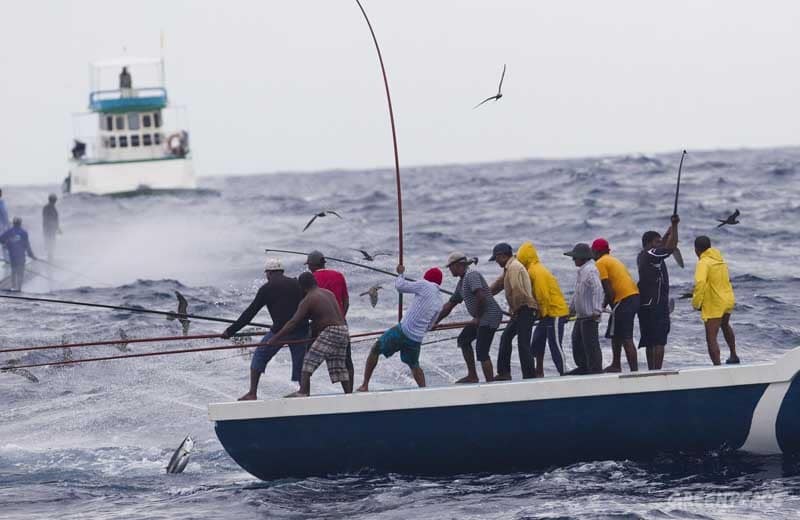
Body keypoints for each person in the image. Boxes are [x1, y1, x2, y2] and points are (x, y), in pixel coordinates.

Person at [221, 258, 310, 400]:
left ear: (268, 273)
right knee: (301, 363)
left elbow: (249, 314)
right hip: (301, 329)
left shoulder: (266, 288)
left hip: (279, 331)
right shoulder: (296, 284)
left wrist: (230, 331)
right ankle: (304, 391)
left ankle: (252, 393)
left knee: (259, 355)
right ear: (282, 271)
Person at [357, 265, 444, 391]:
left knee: (375, 349)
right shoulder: (439, 301)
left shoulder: (424, 285)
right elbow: (430, 326)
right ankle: (424, 391)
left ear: (426, 279)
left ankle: (365, 385)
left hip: (403, 331)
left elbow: (400, 286)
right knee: (414, 365)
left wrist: (400, 274)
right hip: (416, 339)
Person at [267, 272, 351, 397]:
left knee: (307, 362)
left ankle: (303, 392)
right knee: (339, 367)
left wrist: (275, 338)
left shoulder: (309, 299)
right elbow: (325, 316)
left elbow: (293, 322)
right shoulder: (328, 293)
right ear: (314, 282)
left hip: (330, 332)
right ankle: (349, 395)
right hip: (343, 330)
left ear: (301, 287)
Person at [437, 252, 503, 383]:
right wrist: (434, 322)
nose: (449, 270)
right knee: (463, 339)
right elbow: (449, 305)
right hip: (480, 317)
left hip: (489, 316)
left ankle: (491, 384)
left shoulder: (471, 275)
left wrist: (477, 317)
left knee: (482, 351)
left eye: (450, 266)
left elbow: (481, 296)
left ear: (458, 265)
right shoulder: (462, 283)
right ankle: (472, 376)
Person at [517, 241, 570, 376]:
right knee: (536, 342)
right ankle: (539, 372)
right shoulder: (532, 269)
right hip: (546, 314)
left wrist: (541, 313)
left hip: (555, 312)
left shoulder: (536, 271)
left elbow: (543, 296)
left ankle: (564, 373)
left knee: (555, 345)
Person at [305, 250, 354, 387]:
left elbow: (308, 305)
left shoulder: (311, 280)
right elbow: (346, 301)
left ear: (312, 265)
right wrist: (340, 318)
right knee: (347, 361)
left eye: (308, 265)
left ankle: (304, 391)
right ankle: (350, 395)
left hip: (319, 326)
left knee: (306, 359)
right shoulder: (339, 275)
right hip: (341, 324)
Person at [489, 243, 537, 380]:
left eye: (496, 258)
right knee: (506, 337)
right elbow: (498, 285)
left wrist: (515, 309)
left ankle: (529, 376)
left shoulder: (514, 267)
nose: (496, 261)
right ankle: (504, 373)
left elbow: (517, 290)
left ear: (502, 256)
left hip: (525, 308)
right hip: (521, 310)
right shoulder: (509, 267)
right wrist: (484, 294)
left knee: (523, 344)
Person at [592, 238, 640, 372]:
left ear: (597, 251)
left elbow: (609, 291)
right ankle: (616, 365)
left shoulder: (600, 263)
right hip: (634, 297)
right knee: (615, 333)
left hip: (624, 300)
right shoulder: (613, 259)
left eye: (593, 251)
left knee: (626, 337)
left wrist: (600, 307)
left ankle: (634, 372)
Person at [638, 215, 679, 370]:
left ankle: (651, 371)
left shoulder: (643, 256)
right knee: (659, 340)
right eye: (657, 242)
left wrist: (669, 229)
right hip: (657, 305)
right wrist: (675, 227)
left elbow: (664, 244)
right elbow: (670, 248)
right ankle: (657, 372)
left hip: (645, 304)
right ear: (649, 244)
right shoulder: (652, 254)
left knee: (649, 341)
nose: (660, 244)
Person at [692, 236, 739, 365]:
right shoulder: (720, 260)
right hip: (728, 299)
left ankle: (717, 367)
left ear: (696, 250)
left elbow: (700, 283)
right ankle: (734, 355)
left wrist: (696, 303)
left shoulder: (703, 262)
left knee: (711, 336)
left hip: (715, 302)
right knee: (725, 325)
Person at [564, 243, 604, 375]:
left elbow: (597, 288)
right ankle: (584, 367)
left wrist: (597, 310)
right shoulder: (582, 271)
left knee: (591, 344)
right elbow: (577, 294)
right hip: (581, 316)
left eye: (575, 257)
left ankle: (595, 370)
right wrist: (570, 311)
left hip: (589, 316)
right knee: (576, 341)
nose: (573, 260)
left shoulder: (590, 270)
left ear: (582, 258)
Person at [0, 217, 37, 292]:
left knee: (14, 271)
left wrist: (7, 244)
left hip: (13, 255)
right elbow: (27, 246)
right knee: (20, 271)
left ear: (13, 223)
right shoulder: (24, 232)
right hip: (21, 256)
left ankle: (13, 287)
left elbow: (1, 239)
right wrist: (31, 255)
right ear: (20, 223)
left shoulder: (9, 231)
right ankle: (19, 288)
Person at [42, 194, 61, 262]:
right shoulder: (48, 208)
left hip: (50, 228)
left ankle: (50, 256)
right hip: (48, 228)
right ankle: (49, 257)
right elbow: (47, 219)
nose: (55, 201)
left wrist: (58, 228)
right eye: (55, 200)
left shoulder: (51, 208)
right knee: (50, 241)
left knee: (51, 242)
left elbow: (55, 219)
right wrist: (57, 228)